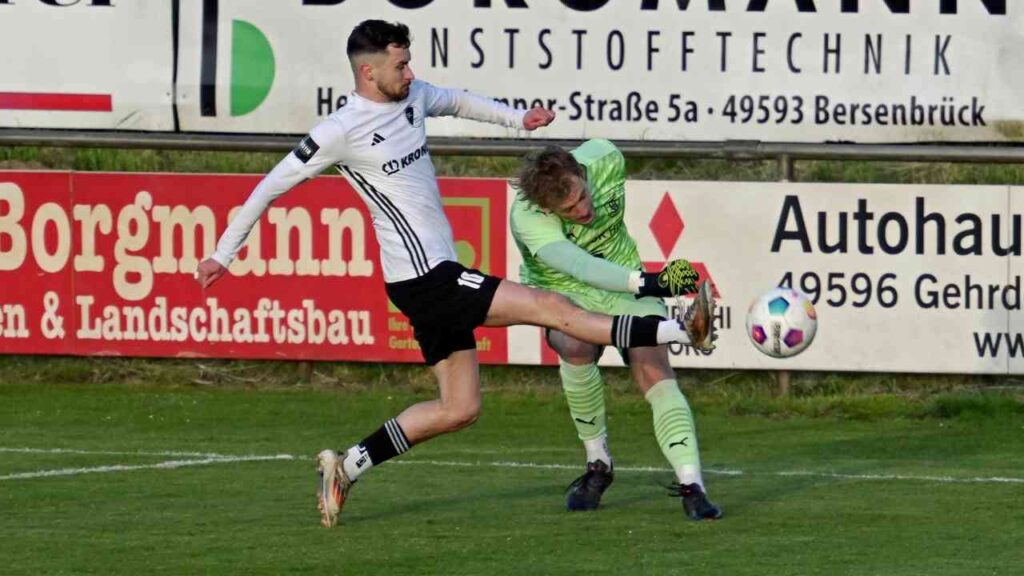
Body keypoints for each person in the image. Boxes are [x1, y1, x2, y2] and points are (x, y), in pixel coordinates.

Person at [193, 20, 716, 528]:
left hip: (423, 282)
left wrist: (519, 119)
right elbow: (270, 186)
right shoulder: (339, 130)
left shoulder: (413, 95)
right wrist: (224, 252)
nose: (410, 70)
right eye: (400, 63)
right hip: (427, 279)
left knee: (459, 408)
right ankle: (679, 329)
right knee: (553, 309)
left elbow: (459, 100)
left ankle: (348, 465)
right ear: (369, 72)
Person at [509, 139, 722, 520]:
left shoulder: (607, 158)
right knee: (574, 344)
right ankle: (598, 465)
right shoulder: (526, 216)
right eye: (569, 210)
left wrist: (642, 284)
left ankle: (693, 485)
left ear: (582, 174)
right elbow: (582, 268)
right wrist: (655, 283)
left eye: (583, 197)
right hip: (566, 293)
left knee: (653, 365)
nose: (584, 210)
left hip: (624, 276)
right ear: (546, 208)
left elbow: (608, 266)